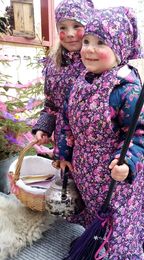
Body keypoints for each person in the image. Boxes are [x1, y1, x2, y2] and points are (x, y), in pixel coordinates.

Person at [58, 6, 144, 260]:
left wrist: (128, 162)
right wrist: (64, 153)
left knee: (121, 221)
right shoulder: (80, 82)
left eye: (101, 42)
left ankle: (123, 257)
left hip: (117, 175)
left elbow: (141, 132)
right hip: (87, 172)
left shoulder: (126, 90)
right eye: (87, 41)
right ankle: (95, 243)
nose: (89, 48)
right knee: (96, 214)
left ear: (120, 49)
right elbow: (66, 121)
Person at [32, 0, 94, 160]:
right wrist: (44, 128)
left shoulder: (98, 61)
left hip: (94, 147)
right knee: (66, 183)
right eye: (63, 28)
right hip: (63, 147)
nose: (70, 33)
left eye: (76, 26)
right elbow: (51, 106)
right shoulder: (54, 66)